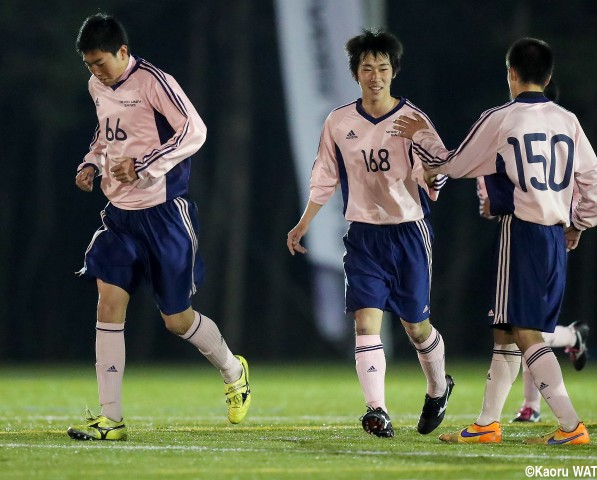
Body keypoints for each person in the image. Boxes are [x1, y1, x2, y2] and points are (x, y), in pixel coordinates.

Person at [394, 37, 597, 445]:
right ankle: (487, 423)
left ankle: (569, 424)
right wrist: (579, 223)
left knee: (524, 333)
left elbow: (457, 163)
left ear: (511, 73)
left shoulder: (502, 117)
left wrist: (424, 145)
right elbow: (596, 191)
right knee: (506, 329)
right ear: (548, 76)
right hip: (555, 238)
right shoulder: (568, 120)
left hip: (523, 233)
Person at [68, 13, 251, 441]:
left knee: (176, 319)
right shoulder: (98, 85)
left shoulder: (154, 81)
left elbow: (195, 130)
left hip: (165, 214)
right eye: (89, 65)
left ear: (123, 52)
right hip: (118, 216)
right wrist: (91, 163)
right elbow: (106, 134)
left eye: (101, 62)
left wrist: (147, 164)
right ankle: (111, 419)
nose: (95, 72)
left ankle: (232, 370)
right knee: (108, 303)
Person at [286, 29, 454, 438]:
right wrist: (304, 221)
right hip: (363, 236)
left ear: (394, 72)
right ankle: (376, 410)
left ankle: (437, 388)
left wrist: (434, 174)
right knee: (365, 324)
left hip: (409, 234)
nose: (374, 76)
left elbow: (440, 169)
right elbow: (325, 175)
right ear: (355, 74)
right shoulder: (339, 121)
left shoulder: (413, 120)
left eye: (382, 68)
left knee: (416, 328)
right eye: (366, 68)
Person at [477, 176, 590, 423]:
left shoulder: (501, 144)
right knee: (527, 328)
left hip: (528, 237)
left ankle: (562, 420)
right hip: (551, 235)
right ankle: (571, 337)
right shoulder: (562, 140)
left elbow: (489, 206)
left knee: (522, 329)